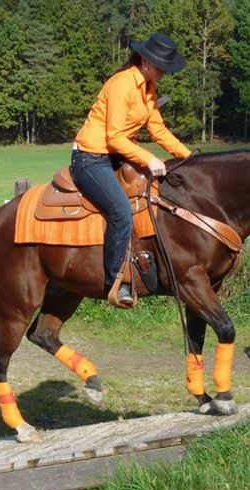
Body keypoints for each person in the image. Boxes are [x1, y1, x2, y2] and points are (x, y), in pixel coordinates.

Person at [70, 33, 191, 306]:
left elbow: (157, 129)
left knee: (158, 196)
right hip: (91, 158)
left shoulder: (148, 88)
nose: (164, 74)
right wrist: (149, 159)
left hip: (116, 156)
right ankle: (115, 282)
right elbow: (114, 137)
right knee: (121, 212)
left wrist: (189, 157)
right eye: (161, 67)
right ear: (146, 61)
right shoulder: (122, 84)